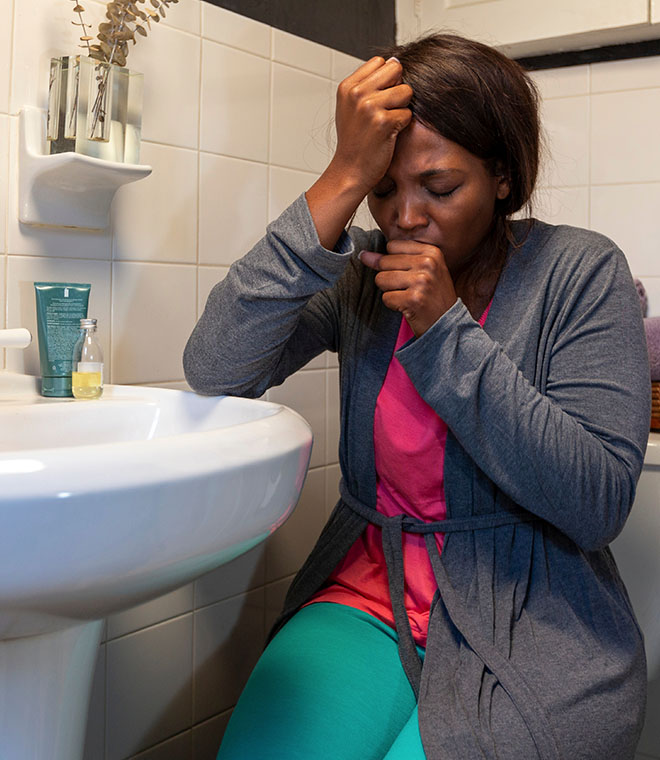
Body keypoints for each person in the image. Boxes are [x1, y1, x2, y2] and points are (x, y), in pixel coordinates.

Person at [184, 33, 651, 760]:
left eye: (439, 189)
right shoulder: (363, 273)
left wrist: (443, 334)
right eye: (383, 188)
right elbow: (217, 368)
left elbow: (595, 503)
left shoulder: (580, 272)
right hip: (374, 594)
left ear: (501, 176)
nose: (404, 217)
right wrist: (339, 179)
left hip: (535, 616)